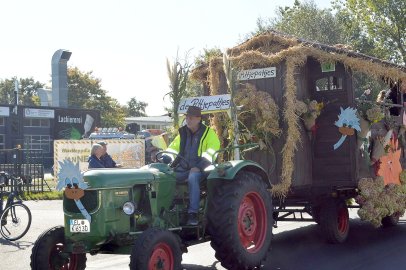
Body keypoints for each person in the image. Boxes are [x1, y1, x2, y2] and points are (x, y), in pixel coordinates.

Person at [166, 106, 220, 225]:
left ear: (198, 119)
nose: (188, 120)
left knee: (193, 177)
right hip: (183, 168)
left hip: (203, 169)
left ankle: (193, 213)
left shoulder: (208, 133)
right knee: (166, 177)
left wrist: (199, 167)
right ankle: (168, 209)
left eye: (190, 118)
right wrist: (167, 157)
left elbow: (212, 152)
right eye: (187, 118)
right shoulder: (183, 132)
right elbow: (173, 148)